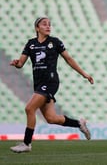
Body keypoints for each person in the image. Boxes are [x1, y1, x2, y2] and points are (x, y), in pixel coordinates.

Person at [9, 17, 94, 153]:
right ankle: (78, 123)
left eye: (49, 24)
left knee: (29, 109)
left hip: (50, 82)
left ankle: (26, 143)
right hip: (38, 84)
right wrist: (16, 63)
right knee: (51, 118)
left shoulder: (54, 42)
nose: (48, 26)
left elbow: (69, 59)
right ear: (37, 28)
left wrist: (84, 74)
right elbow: (21, 63)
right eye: (44, 24)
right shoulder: (31, 44)